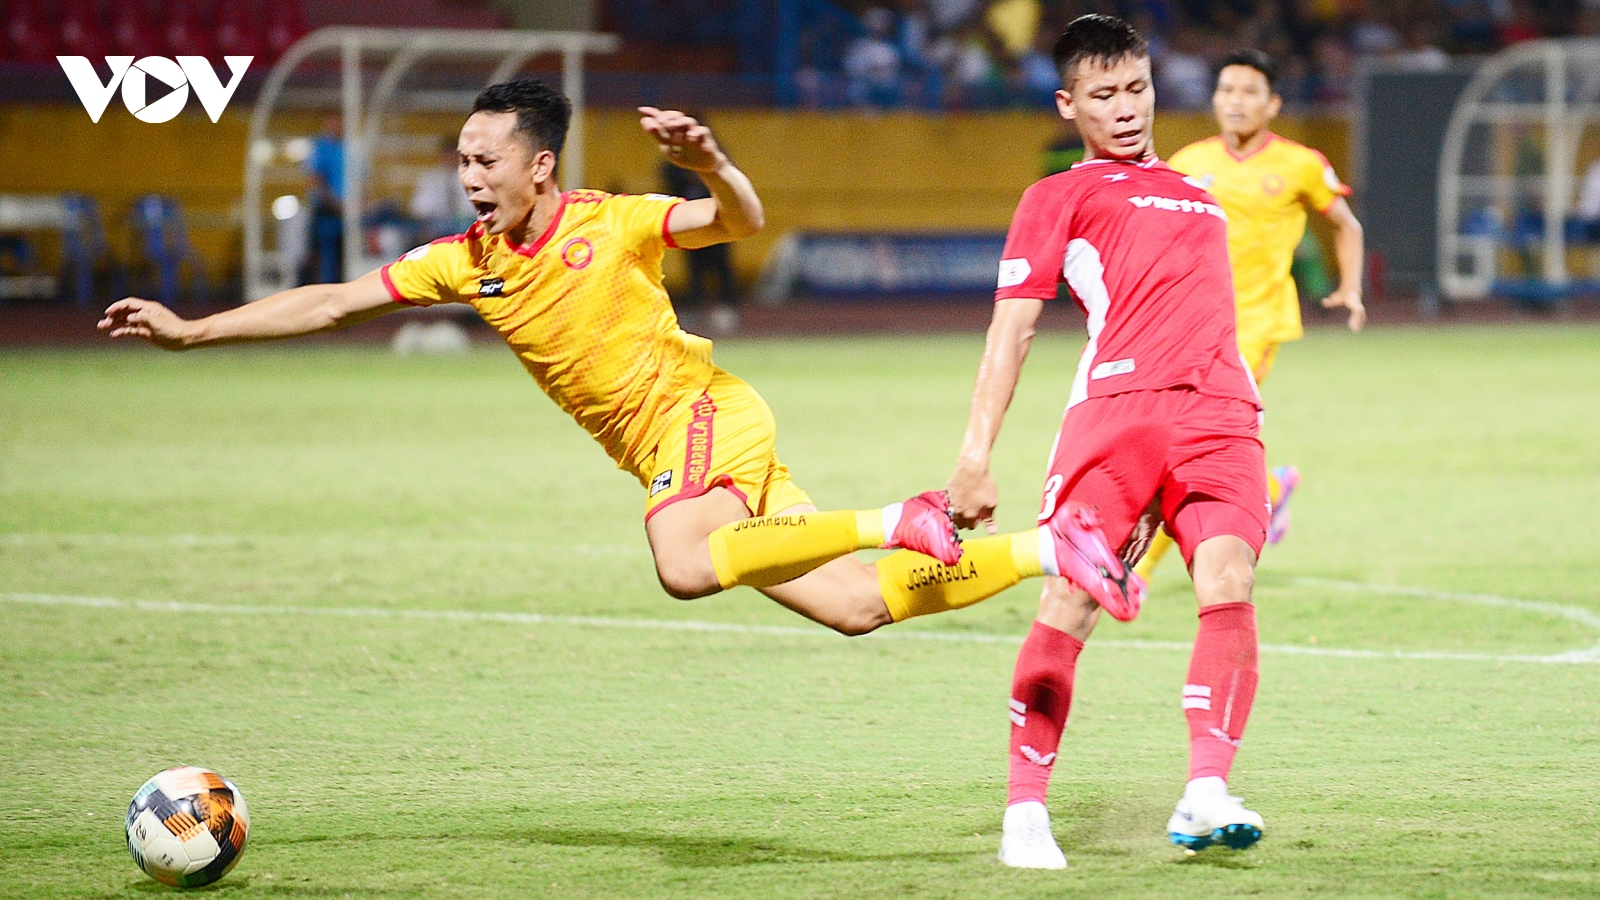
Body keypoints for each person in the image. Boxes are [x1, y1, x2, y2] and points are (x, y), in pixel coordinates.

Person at [100, 77, 1133, 641]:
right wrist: (195, 330)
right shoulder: (462, 261)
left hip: (699, 415)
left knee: (684, 566)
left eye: (485, 159)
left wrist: (713, 162)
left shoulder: (612, 220)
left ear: (539, 166)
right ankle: (1054, 549)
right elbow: (332, 302)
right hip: (680, 449)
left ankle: (898, 516)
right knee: (857, 606)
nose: (468, 176)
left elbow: (739, 222)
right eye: (461, 160)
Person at [945, 15, 1270, 868]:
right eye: (1103, 95)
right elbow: (1012, 329)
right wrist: (975, 456)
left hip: (1220, 416)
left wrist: (1244, 401)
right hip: (1118, 416)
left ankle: (1206, 789)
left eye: (1136, 89)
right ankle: (1025, 812)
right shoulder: (1056, 197)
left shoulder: (1201, 196)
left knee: (1229, 580)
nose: (1125, 109)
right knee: (1070, 600)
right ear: (1068, 104)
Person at [1138, 49, 1366, 579]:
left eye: (1248, 92)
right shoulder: (1189, 163)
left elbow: (1346, 224)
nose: (1235, 101)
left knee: (1187, 438)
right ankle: (1272, 487)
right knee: (1190, 439)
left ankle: (1138, 574)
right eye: (1226, 90)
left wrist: (1350, 287)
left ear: (1272, 103)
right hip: (1192, 326)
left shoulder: (1300, 164)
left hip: (1256, 325)